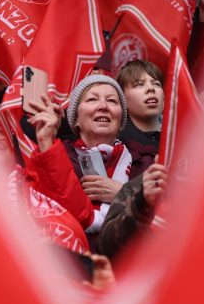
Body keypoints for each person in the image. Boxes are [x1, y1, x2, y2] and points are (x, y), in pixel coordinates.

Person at [25, 75, 133, 238]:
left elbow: (161, 215)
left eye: (112, 101)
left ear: (121, 121)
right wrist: (46, 141)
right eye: (92, 99)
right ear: (75, 120)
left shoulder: (143, 160)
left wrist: (124, 194)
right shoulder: (53, 155)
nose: (103, 106)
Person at [116, 60, 163, 176]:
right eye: (139, 85)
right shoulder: (115, 141)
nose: (151, 89)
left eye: (156, 84)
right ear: (122, 99)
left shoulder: (181, 138)